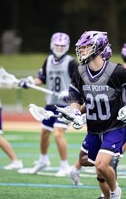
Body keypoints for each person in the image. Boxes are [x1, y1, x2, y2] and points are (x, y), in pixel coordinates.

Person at [64, 31, 126, 199]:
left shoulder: (115, 71)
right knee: (85, 160)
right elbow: (75, 97)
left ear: (98, 48)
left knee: (101, 164)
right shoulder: (80, 72)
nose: (82, 51)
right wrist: (75, 112)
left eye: (86, 47)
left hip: (115, 126)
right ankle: (109, 193)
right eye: (81, 47)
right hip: (94, 128)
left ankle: (115, 194)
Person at [17, 32, 79, 176]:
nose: (59, 48)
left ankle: (64, 166)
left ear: (67, 46)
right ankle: (43, 161)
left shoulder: (71, 62)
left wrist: (69, 92)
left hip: (66, 105)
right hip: (51, 104)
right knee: (44, 133)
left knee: (58, 133)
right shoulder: (48, 60)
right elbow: (41, 78)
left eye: (62, 46)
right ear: (52, 45)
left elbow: (80, 82)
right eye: (57, 45)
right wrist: (30, 82)